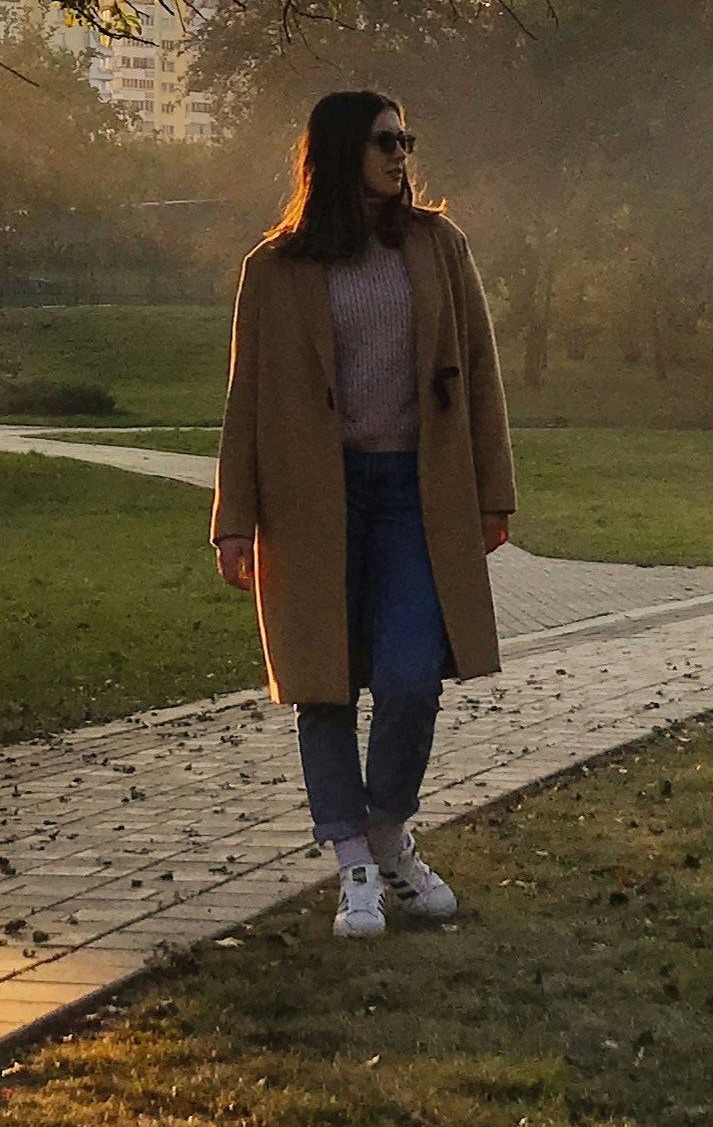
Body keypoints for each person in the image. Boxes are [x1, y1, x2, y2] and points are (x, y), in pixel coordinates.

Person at [212, 89, 516, 939]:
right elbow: (246, 404)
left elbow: (481, 375)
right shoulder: (273, 270)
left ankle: (386, 828)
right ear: (341, 151)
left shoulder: (436, 247)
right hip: (315, 501)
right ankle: (355, 867)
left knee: (413, 678)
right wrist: (233, 519)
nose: (401, 154)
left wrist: (496, 491)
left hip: (415, 498)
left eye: (406, 139)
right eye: (386, 140)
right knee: (324, 686)